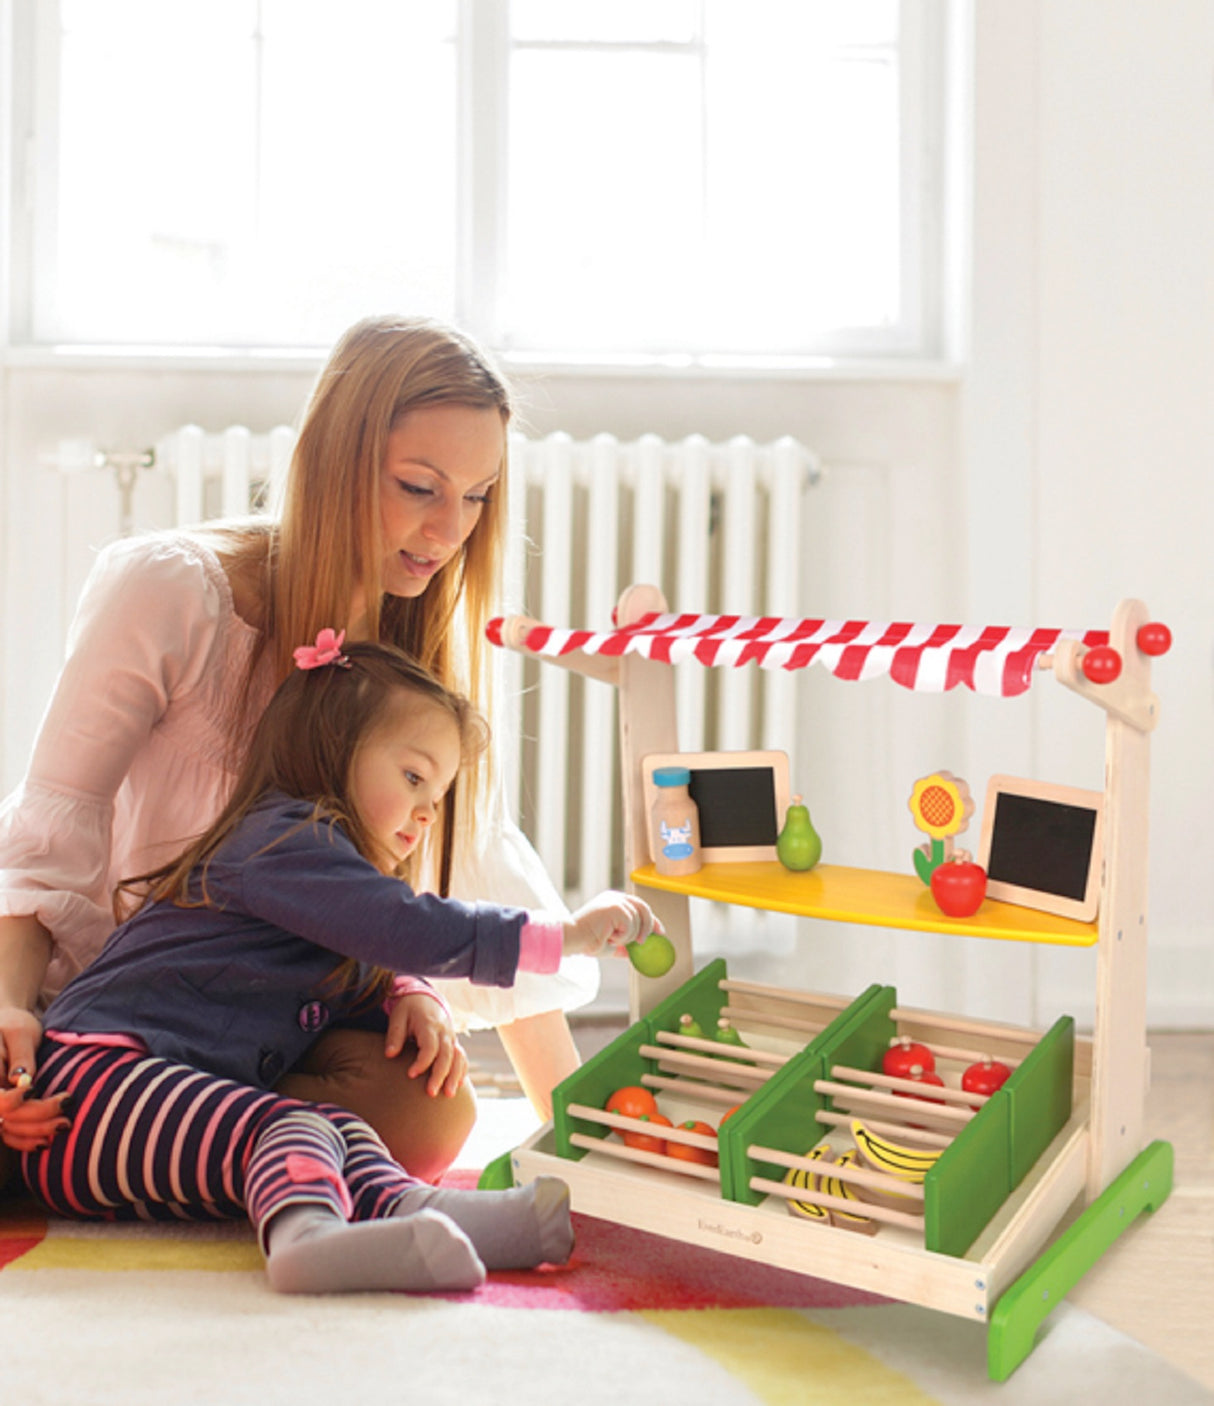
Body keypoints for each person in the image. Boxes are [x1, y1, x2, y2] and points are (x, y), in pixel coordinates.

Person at [0, 314, 599, 1187]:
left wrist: (570, 1124)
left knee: (433, 1110)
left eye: (475, 497)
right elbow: (53, 826)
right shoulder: (170, 588)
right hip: (131, 1003)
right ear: (337, 458)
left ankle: (222, 1146)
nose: (447, 531)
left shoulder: (410, 653)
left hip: (277, 1005)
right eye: (418, 487)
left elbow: (464, 864)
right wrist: (10, 1002)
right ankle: (211, 1140)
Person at [8, 636, 656, 1294]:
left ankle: (424, 1211)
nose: (429, 810)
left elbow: (359, 962)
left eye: (439, 791)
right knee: (293, 1125)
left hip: (143, 1102)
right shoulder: (284, 840)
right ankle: (305, 1241)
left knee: (343, 1129)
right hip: (90, 1091)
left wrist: (407, 993)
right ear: (334, 752)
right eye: (413, 776)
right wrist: (564, 935)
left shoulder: (318, 887)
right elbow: (406, 926)